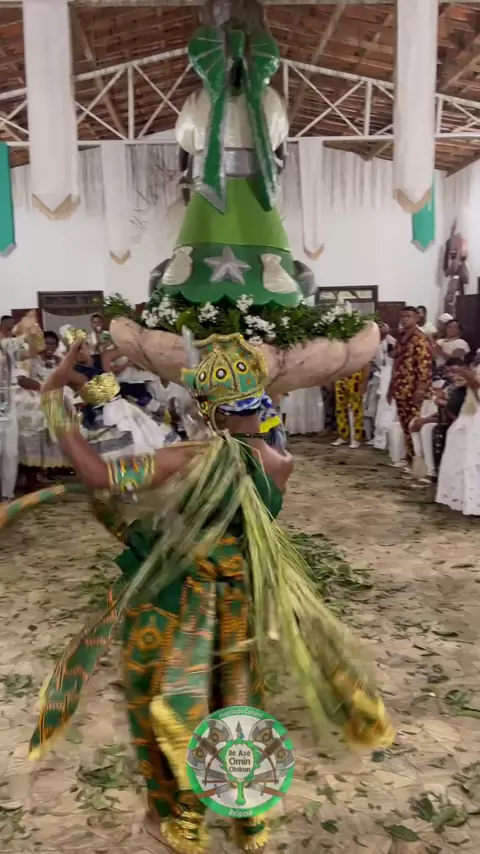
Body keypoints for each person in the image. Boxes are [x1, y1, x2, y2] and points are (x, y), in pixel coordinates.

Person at [11, 333, 394, 854]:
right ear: (261, 403)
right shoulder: (281, 463)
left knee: (160, 698)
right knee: (234, 699)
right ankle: (249, 820)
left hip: (176, 600)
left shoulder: (187, 459)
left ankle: (179, 820)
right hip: (243, 604)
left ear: (208, 411)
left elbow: (98, 475)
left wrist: (54, 397)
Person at [58, 327, 179, 457]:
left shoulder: (103, 357)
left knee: (150, 435)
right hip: (100, 415)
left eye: (82, 347)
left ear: (88, 345)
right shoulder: (72, 372)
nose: (80, 352)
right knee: (118, 452)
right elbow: (63, 375)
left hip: (123, 405)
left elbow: (128, 349)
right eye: (75, 350)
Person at [15, 331, 67, 486]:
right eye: (47, 343)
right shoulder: (29, 358)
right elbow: (22, 380)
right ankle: (30, 476)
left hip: (51, 397)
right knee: (36, 429)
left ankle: (45, 470)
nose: (50, 346)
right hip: (30, 398)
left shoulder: (58, 360)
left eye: (53, 343)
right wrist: (44, 387)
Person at [0, 312, 42, 501]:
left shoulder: (6, 348)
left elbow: (32, 352)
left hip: (7, 403)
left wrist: (31, 333)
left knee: (10, 452)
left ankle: (7, 496)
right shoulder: (5, 345)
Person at [387, 306, 432, 468]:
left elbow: (424, 367)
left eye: (408, 316)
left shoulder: (420, 339)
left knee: (414, 425)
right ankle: (410, 458)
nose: (405, 319)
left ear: (417, 318)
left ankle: (420, 463)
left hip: (414, 389)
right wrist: (391, 387)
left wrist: (420, 390)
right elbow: (396, 364)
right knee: (405, 425)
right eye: (403, 316)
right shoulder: (401, 338)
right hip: (401, 387)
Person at [436, 362, 480, 515]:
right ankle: (461, 497)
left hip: (475, 419)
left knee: (472, 458)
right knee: (459, 457)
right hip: (469, 414)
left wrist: (471, 380)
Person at [332, 369, 367, 449]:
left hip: (355, 377)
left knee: (356, 408)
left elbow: (366, 364)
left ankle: (357, 437)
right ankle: (343, 435)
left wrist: (364, 381)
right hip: (340, 376)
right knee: (340, 407)